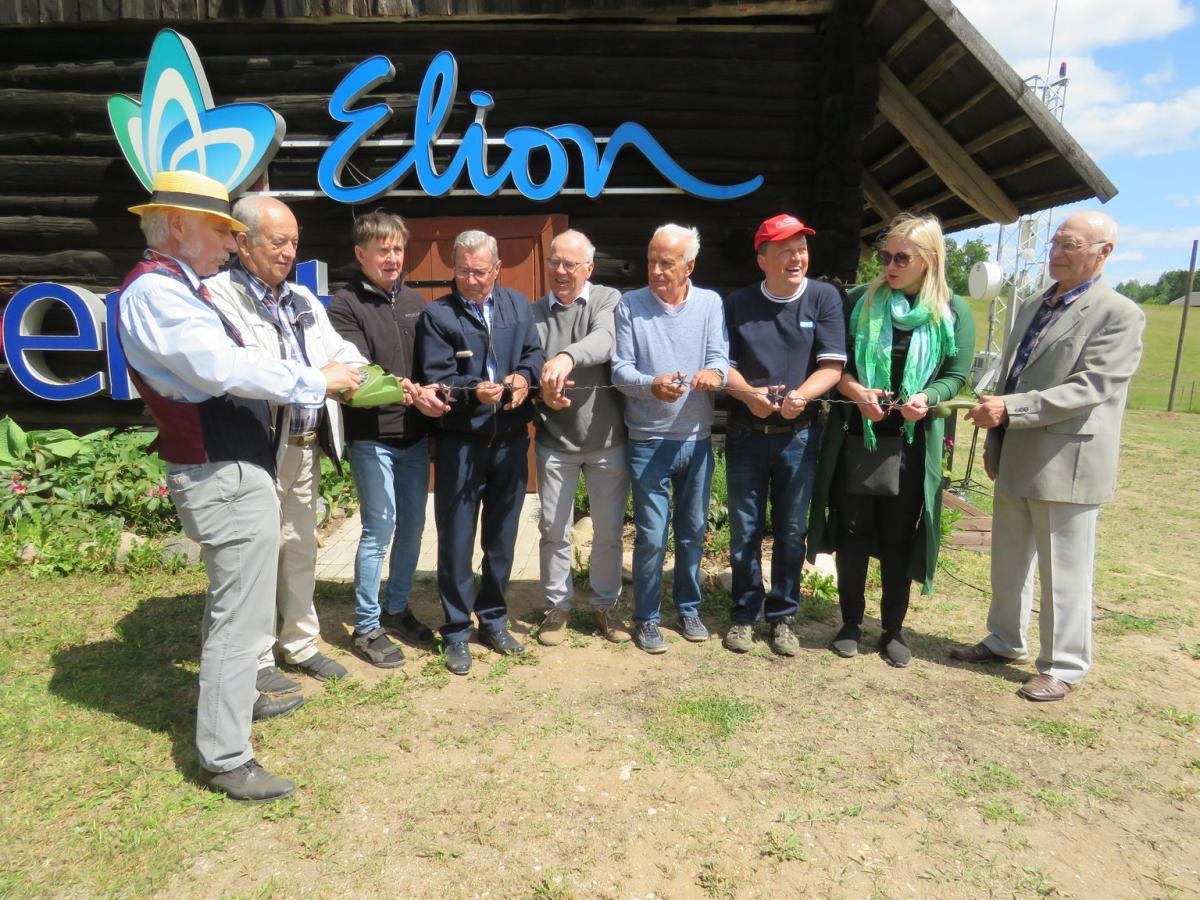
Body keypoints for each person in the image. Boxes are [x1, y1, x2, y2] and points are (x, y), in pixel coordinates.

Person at [116, 170, 362, 801]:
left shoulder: (180, 288)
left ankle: (238, 708)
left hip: (235, 466)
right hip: (220, 470)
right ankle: (225, 756)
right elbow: (222, 368)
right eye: (221, 230)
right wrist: (316, 380)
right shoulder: (156, 294)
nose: (230, 244)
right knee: (238, 616)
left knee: (239, 607)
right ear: (176, 225)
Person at [956, 211, 1144, 702]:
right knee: (1009, 558)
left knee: (1065, 569)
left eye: (1071, 245)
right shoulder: (1036, 303)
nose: (1057, 252)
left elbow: (1091, 387)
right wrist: (998, 437)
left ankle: (1063, 665)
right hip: (1017, 450)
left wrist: (1008, 411)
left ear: (1104, 252)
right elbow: (1010, 376)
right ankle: (1004, 640)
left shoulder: (1120, 314)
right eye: (1056, 242)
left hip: (1068, 459)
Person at [205, 194, 365, 692]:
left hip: (303, 443)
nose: (288, 252)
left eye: (294, 242)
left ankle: (298, 642)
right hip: (252, 451)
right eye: (278, 242)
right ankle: (254, 662)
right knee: (252, 557)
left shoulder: (302, 300)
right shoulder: (218, 297)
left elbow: (344, 354)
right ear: (242, 242)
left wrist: (351, 370)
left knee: (299, 546)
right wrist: (319, 376)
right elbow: (244, 371)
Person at [808, 212, 974, 668]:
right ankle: (849, 624)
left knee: (899, 537)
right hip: (857, 437)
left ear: (930, 260)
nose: (890, 265)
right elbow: (833, 364)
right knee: (854, 531)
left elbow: (957, 375)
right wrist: (855, 391)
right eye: (885, 256)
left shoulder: (952, 310)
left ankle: (894, 630)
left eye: (902, 257)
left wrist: (929, 395)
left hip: (912, 440)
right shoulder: (859, 300)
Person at [418, 230, 544, 675]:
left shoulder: (517, 305)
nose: (471, 279)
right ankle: (455, 630)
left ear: (497, 268)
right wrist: (475, 391)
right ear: (454, 268)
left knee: (502, 538)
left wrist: (524, 379)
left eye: (480, 271)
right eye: (463, 270)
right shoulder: (437, 314)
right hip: (461, 442)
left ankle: (493, 618)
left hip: (510, 439)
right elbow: (437, 373)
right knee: (455, 539)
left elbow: (533, 354)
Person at [327, 212, 448, 669]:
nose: (393, 258)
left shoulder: (417, 301)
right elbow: (356, 374)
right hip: (371, 436)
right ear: (361, 255)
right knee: (380, 527)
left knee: (414, 526)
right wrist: (407, 388)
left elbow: (431, 365)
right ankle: (366, 624)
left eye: (398, 249)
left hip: (414, 435)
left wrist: (436, 389)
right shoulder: (345, 306)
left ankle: (396, 609)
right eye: (383, 250)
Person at [721, 214, 845, 657]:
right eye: (785, 250)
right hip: (745, 433)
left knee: (792, 532)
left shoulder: (824, 298)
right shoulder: (738, 303)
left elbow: (831, 365)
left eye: (801, 249)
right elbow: (722, 363)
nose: (797, 258)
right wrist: (749, 394)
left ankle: (783, 616)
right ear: (763, 259)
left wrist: (803, 397)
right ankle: (743, 613)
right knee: (745, 530)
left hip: (799, 435)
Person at [611, 224, 728, 654]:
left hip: (696, 439)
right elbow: (620, 370)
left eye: (667, 262)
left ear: (689, 265)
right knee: (652, 535)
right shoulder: (630, 306)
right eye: (651, 261)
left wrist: (714, 373)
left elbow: (720, 356)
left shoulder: (710, 304)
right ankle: (646, 617)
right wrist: (650, 384)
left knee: (693, 530)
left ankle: (688, 607)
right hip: (648, 440)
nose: (657, 270)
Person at [532, 229, 631, 646]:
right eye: (554, 262)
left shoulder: (607, 299)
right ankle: (558, 607)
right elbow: (527, 362)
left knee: (608, 531)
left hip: (607, 439)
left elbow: (607, 341)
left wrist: (566, 356)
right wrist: (543, 388)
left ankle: (605, 605)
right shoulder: (534, 312)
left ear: (588, 268)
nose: (560, 270)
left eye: (570, 264)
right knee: (555, 531)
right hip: (556, 441)